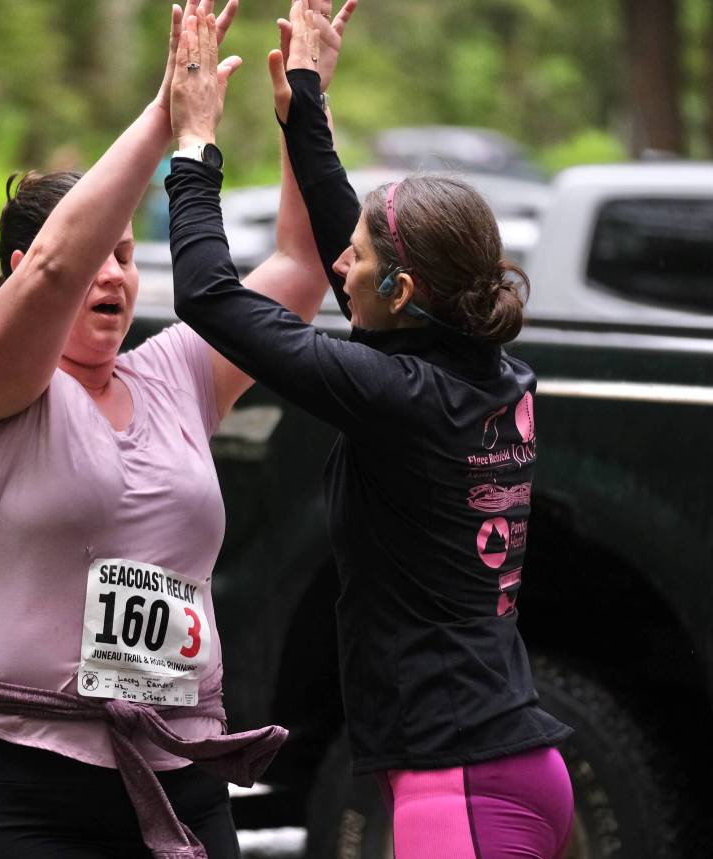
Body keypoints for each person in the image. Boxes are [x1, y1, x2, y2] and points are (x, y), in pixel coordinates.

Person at [0, 2, 345, 857]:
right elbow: (54, 265)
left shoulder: (177, 371)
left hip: (173, 770)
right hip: (15, 769)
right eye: (97, 255)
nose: (112, 275)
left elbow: (301, 266)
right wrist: (168, 113)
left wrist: (307, 96)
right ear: (20, 269)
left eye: (128, 256)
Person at [167, 3, 575, 857]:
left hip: (458, 778)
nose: (335, 264)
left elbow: (207, 293)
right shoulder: (488, 374)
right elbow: (359, 245)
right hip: (510, 763)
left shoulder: (403, 397)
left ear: (401, 293)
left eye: (355, 259)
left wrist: (194, 145)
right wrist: (305, 98)